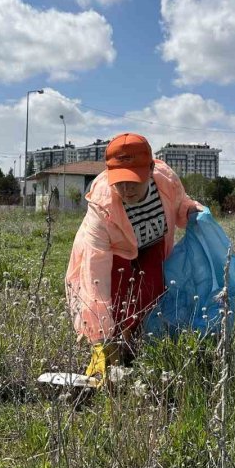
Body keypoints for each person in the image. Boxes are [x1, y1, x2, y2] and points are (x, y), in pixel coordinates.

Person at [65, 133, 204, 382]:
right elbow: (94, 276)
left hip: (152, 245)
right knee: (119, 299)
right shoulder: (102, 207)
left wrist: (191, 210)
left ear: (150, 169)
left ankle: (138, 344)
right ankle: (115, 349)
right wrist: (99, 338)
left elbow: (179, 204)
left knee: (152, 293)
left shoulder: (166, 181)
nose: (126, 189)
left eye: (134, 180)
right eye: (119, 181)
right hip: (114, 253)